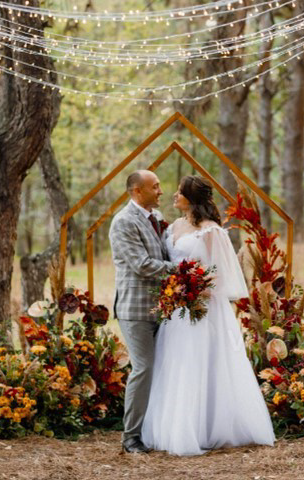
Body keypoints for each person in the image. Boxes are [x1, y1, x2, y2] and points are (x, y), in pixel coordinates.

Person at [141, 175, 275, 456]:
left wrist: (199, 288)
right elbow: (169, 263)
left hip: (204, 307)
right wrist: (176, 289)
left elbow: (220, 273)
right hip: (177, 307)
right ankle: (177, 425)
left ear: (192, 198)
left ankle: (211, 426)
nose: (174, 195)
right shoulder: (174, 226)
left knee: (205, 361)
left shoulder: (212, 230)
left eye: (180, 192)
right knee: (177, 362)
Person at [109, 170, 173, 454]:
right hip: (135, 309)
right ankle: (130, 437)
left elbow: (164, 254)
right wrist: (184, 269)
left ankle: (154, 429)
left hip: (163, 307)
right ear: (137, 191)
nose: (160, 191)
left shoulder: (156, 219)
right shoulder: (123, 222)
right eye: (155, 186)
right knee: (143, 368)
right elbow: (143, 265)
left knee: (161, 368)